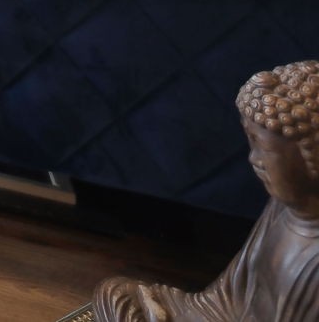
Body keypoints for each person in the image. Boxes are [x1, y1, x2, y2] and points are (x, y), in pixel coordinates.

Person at [95, 60, 319, 320]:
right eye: (252, 144)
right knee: (117, 293)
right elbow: (223, 298)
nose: (254, 159)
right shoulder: (279, 208)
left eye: (265, 149)